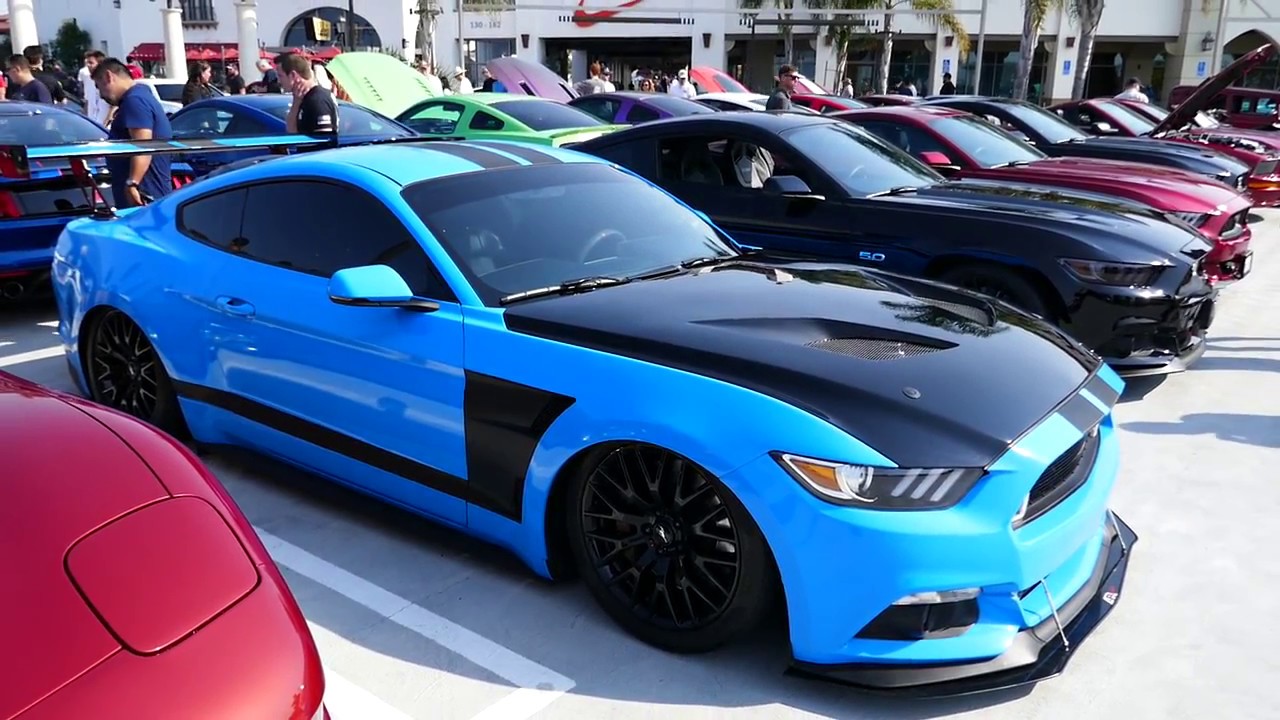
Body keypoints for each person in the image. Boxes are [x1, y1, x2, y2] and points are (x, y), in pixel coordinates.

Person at [92, 58, 172, 208]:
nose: (101, 94)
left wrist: (132, 183)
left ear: (109, 77)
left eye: (99, 86)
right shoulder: (141, 96)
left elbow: (143, 146)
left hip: (144, 191)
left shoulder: (134, 101)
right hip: (149, 190)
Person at [276, 52, 338, 136]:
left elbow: (324, 138)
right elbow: (291, 131)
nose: (278, 81)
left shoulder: (318, 99)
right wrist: (296, 102)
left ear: (293, 75)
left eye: (280, 76)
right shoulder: (302, 98)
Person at [80, 51, 109, 123]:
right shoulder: (89, 80)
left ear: (99, 64)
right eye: (87, 63)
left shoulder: (109, 81)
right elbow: (87, 101)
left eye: (91, 63)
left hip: (106, 126)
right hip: (93, 124)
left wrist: (107, 122)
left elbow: (114, 106)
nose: (88, 65)